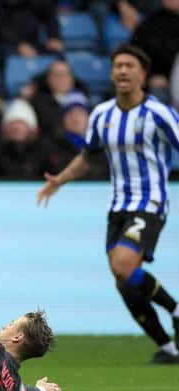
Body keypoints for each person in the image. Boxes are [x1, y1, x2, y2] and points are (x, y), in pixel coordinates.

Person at [37, 45, 179, 364]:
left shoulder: (159, 113)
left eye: (130, 65)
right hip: (118, 206)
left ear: (142, 74)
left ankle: (175, 308)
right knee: (123, 281)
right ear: (112, 73)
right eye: (118, 66)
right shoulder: (102, 114)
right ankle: (168, 346)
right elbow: (89, 156)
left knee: (124, 265)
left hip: (150, 201)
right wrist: (60, 179)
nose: (123, 71)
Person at [130, 0, 179, 104]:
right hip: (162, 86)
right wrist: (149, 78)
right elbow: (134, 58)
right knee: (157, 95)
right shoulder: (148, 26)